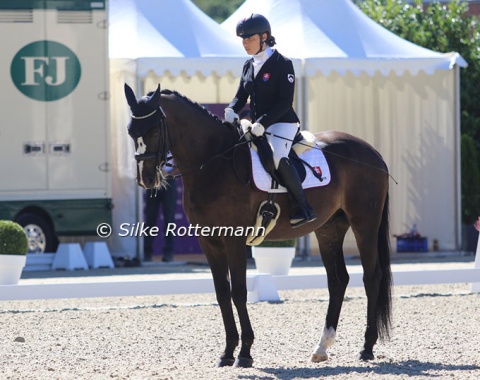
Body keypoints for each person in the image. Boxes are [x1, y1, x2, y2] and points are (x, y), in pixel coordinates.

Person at [224, 13, 317, 228]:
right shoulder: (248, 65)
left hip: (282, 123)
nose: (245, 43)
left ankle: (302, 206)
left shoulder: (282, 64)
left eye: (250, 38)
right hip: (258, 125)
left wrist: (263, 123)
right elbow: (241, 96)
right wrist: (231, 108)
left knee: (277, 157)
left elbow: (285, 101)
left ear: (264, 37)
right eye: (243, 39)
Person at [144, 167, 178, 262]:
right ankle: (147, 252)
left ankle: (169, 252)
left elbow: (180, 164)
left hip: (170, 182)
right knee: (150, 219)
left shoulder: (174, 151)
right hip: (154, 183)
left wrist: (169, 174)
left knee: (169, 220)